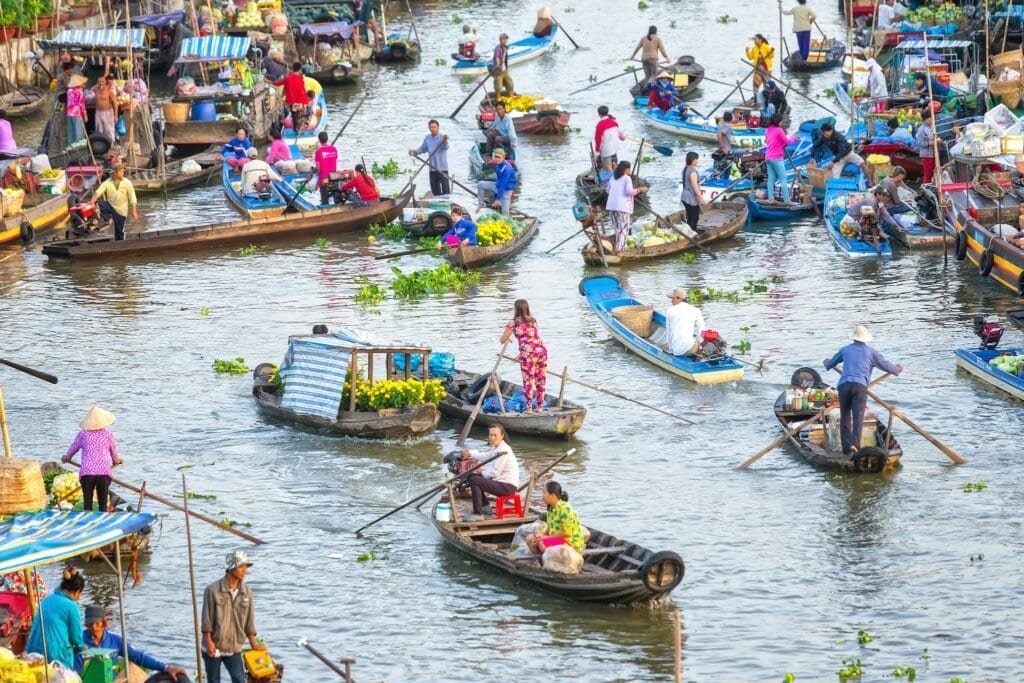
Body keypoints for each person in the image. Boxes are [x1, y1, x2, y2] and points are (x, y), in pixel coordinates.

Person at [823, 326, 903, 455]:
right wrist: (897, 368)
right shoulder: (871, 352)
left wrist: (826, 361)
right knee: (858, 417)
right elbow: (886, 366)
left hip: (844, 385)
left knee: (845, 417)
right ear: (865, 339)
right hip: (859, 386)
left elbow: (829, 364)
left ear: (854, 338)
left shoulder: (845, 350)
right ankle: (855, 445)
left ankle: (847, 449)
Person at [202, 551, 265, 683]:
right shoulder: (212, 590)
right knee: (213, 680)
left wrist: (254, 644)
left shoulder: (247, 592)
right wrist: (208, 642)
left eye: (246, 567)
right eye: (241, 566)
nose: (244, 570)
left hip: (234, 647)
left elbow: (249, 622)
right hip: (214, 646)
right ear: (231, 568)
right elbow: (206, 620)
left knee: (239, 679)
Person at [76, 605, 187, 678]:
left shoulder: (115, 641)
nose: (94, 626)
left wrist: (165, 667)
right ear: (86, 623)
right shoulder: (78, 640)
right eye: (90, 623)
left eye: (97, 623)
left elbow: (138, 656)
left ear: (104, 622)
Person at [61, 405, 121, 511]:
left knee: (87, 505)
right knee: (103, 506)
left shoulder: (83, 434)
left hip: (87, 473)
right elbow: (114, 452)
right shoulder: (108, 434)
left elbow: (73, 448)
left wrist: (67, 457)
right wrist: (117, 461)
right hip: (103, 473)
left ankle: (88, 523)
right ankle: (102, 523)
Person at [25, 567, 86, 670]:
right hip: (55, 656)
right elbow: (76, 638)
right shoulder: (71, 606)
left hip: (34, 651)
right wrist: (83, 648)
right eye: (81, 593)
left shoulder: (46, 600)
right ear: (77, 592)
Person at [500, 299, 549, 413]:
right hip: (541, 351)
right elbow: (533, 339)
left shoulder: (513, 322)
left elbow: (502, 339)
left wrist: (507, 339)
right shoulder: (533, 320)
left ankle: (529, 408)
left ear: (516, 309)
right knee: (541, 380)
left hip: (528, 355)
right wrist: (520, 354)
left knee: (528, 381)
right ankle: (540, 407)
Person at [465, 424, 519, 517]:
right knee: (472, 476)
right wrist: (470, 454)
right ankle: (485, 506)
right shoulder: (497, 447)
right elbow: (486, 456)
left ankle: (477, 514)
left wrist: (481, 471)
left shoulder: (504, 450)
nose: (492, 438)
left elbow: (494, 473)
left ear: (502, 436)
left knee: (475, 480)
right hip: (501, 482)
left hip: (507, 487)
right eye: (490, 435)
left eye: (495, 435)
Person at [526, 481, 585, 555]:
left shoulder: (565, 508)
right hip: (555, 539)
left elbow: (566, 533)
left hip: (570, 542)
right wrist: (541, 536)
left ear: (552, 495)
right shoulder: (551, 508)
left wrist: (545, 538)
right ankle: (543, 562)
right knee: (530, 539)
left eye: (544, 493)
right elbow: (549, 528)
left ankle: (551, 564)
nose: (542, 496)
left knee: (542, 544)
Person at [605, 160, 647, 250]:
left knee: (617, 229)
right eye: (629, 169)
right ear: (626, 169)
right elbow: (629, 192)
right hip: (622, 208)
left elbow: (607, 190)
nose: (629, 171)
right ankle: (620, 250)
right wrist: (640, 189)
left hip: (611, 207)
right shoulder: (626, 178)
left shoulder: (613, 178)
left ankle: (618, 247)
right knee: (623, 230)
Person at [91, 166, 138, 241]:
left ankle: (121, 245)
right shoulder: (108, 182)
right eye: (121, 172)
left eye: (123, 171)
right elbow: (98, 191)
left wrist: (134, 211)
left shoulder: (127, 182)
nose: (123, 173)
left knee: (119, 232)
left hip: (121, 211)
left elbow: (132, 196)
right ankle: (108, 218)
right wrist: (92, 202)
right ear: (115, 173)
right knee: (96, 204)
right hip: (110, 206)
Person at [409, 120, 450, 196]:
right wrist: (414, 152)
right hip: (432, 168)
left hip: (442, 169)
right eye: (431, 127)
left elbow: (446, 147)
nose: (433, 129)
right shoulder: (427, 138)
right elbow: (422, 149)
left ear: (438, 128)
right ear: (429, 128)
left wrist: (444, 141)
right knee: (434, 190)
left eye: (435, 127)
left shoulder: (442, 137)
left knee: (446, 191)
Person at [765, 113, 797, 203]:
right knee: (783, 178)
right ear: (778, 122)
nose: (782, 122)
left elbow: (769, 141)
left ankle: (771, 199)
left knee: (771, 178)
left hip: (768, 157)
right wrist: (794, 138)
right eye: (781, 121)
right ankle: (787, 200)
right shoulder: (779, 130)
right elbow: (787, 141)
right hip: (776, 158)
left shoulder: (767, 130)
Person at [665, 288, 706, 356]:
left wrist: (671, 349)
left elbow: (669, 332)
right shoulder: (695, 310)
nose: (671, 301)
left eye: (673, 298)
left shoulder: (670, 310)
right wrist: (701, 344)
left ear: (679, 299)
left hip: (676, 351)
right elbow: (702, 329)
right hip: (691, 349)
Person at [476, 147, 516, 215]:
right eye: (496, 157)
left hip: (506, 190)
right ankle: (481, 203)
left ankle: (502, 204)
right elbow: (498, 180)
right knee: (480, 184)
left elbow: (503, 186)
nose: (497, 159)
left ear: (503, 157)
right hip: (498, 185)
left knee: (505, 213)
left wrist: (497, 200)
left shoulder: (507, 169)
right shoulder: (497, 165)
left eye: (499, 157)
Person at [274, 63, 310, 133]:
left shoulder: (288, 78)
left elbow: (278, 83)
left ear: (293, 69)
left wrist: (271, 82)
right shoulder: (301, 79)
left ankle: (295, 129)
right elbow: (303, 91)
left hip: (292, 101)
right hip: (300, 101)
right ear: (299, 70)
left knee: (294, 116)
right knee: (301, 115)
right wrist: (305, 102)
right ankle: (300, 128)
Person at [680, 151, 706, 232]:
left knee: (690, 216)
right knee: (694, 217)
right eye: (697, 159)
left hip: (684, 195)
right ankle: (693, 233)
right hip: (690, 197)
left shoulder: (685, 169)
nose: (697, 161)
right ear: (693, 160)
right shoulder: (692, 171)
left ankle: (689, 231)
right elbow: (694, 186)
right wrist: (701, 198)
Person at [594, 106, 626, 171]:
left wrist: (597, 151)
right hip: (614, 149)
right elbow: (622, 138)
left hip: (606, 151)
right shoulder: (614, 123)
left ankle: (612, 179)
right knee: (612, 166)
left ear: (599, 114)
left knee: (608, 167)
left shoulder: (600, 125)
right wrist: (624, 136)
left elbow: (598, 139)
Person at [92, 75, 119, 144]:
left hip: (108, 112)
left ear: (105, 82)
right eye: (99, 81)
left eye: (102, 81)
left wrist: (116, 116)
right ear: (97, 82)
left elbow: (115, 103)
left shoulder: (109, 90)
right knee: (99, 129)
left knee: (109, 129)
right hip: (98, 112)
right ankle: (101, 144)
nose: (101, 83)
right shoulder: (95, 89)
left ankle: (111, 143)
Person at [314, 131, 339, 205]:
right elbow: (334, 160)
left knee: (324, 199)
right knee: (335, 193)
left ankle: (325, 205)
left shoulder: (318, 152)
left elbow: (318, 168)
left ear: (319, 140)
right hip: (333, 177)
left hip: (324, 178)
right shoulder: (334, 149)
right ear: (327, 139)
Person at [66, 74, 88, 147]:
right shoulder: (79, 92)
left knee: (71, 131)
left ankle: (71, 146)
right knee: (78, 131)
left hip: (69, 113)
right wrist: (85, 115)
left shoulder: (69, 91)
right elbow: (81, 105)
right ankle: (78, 147)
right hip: (76, 113)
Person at [490, 33, 516, 98]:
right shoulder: (498, 48)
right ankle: (498, 97)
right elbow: (497, 57)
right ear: (500, 40)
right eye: (503, 39)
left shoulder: (505, 47)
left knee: (509, 82)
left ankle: (511, 95)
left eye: (506, 39)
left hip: (504, 69)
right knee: (498, 85)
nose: (505, 40)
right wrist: (498, 63)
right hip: (498, 70)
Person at [917, 106, 937, 183]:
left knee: (933, 173)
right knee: (928, 174)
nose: (933, 120)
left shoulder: (931, 127)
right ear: (928, 119)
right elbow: (920, 143)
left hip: (933, 154)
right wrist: (931, 143)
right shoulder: (922, 129)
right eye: (932, 118)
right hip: (927, 155)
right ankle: (927, 188)